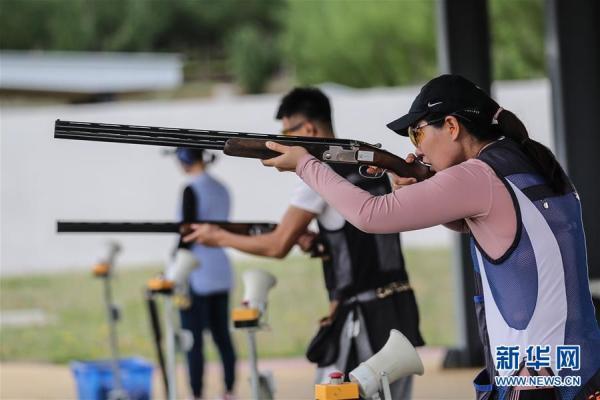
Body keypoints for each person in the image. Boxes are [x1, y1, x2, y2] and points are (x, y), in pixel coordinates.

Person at [261, 75, 600, 399]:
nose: (418, 151)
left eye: (417, 135)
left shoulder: (478, 175)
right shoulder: (530, 163)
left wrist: (305, 164)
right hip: (579, 366)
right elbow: (493, 226)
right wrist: (422, 187)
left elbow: (369, 215)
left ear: (452, 126)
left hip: (534, 379)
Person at [184, 87, 424, 399]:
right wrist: (323, 242)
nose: (283, 139)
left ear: (308, 130)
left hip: (362, 319)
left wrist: (217, 237)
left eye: (287, 131)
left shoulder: (320, 174)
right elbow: (361, 236)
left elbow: (277, 245)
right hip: (396, 307)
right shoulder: (368, 165)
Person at [175, 148, 236, 400]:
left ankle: (197, 393)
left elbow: (186, 235)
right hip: (221, 269)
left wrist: (172, 269)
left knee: (193, 340)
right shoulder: (222, 188)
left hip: (195, 271)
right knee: (222, 336)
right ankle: (229, 390)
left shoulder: (191, 189)